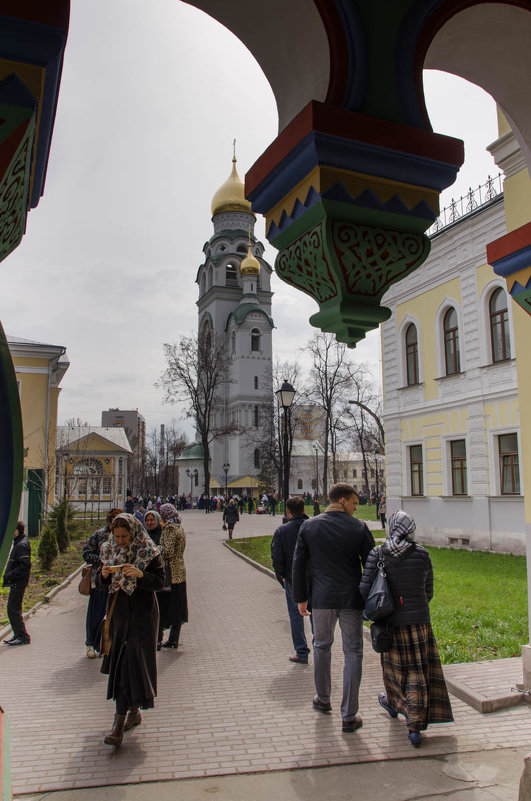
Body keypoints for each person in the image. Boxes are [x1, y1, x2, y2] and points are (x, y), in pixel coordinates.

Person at [359, 510, 453, 747]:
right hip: (419, 623)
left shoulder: (378, 553)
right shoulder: (422, 554)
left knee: (394, 670)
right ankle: (413, 721)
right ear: (410, 529)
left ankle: (399, 708)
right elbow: (428, 590)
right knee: (417, 671)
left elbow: (364, 589)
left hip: (390, 624)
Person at [292, 483, 375, 733]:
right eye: (353, 502)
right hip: (351, 599)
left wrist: (301, 598)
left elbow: (299, 564)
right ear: (341, 500)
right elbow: (371, 564)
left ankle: (323, 699)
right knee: (353, 652)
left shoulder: (310, 526)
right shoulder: (359, 528)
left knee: (321, 646)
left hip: (322, 599)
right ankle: (349, 714)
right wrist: (367, 593)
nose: (355, 507)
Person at [98, 513, 164, 747]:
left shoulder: (147, 549)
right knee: (124, 665)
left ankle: (118, 724)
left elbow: (160, 581)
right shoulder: (108, 550)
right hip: (119, 616)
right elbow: (101, 584)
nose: (121, 541)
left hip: (142, 617)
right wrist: (104, 575)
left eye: (125, 536)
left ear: (133, 533)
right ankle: (132, 712)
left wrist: (140, 574)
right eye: (117, 536)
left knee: (129, 664)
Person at [271, 496, 310, 664]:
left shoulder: (282, 531)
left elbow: (276, 557)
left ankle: (301, 652)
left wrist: (282, 576)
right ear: (304, 510)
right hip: (314, 579)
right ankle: (321, 647)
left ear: (287, 511)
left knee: (295, 615)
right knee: (316, 615)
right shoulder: (314, 526)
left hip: (292, 579)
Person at [82, 508, 122, 658]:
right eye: (114, 519)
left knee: (110, 614)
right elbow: (86, 553)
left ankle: (106, 645)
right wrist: (100, 560)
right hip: (99, 582)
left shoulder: (126, 536)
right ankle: (91, 644)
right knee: (96, 613)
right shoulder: (100, 535)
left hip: (117, 583)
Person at [158, 503, 188, 649]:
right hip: (180, 569)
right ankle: (174, 638)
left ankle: (171, 639)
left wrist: (155, 549)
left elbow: (168, 551)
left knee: (172, 605)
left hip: (172, 572)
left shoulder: (169, 528)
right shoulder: (179, 526)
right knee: (178, 604)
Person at [3, 521, 31, 646]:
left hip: (18, 582)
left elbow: (25, 565)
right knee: (14, 609)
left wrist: (11, 575)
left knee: (12, 609)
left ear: (16, 531)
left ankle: (22, 636)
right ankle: (18, 634)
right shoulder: (19, 543)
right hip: (17, 582)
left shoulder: (21, 545)